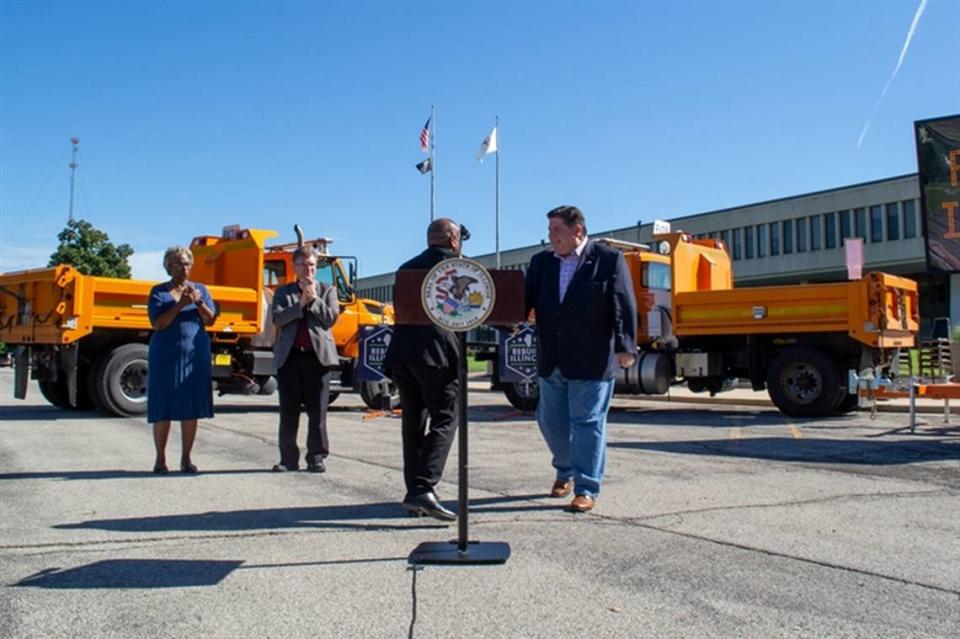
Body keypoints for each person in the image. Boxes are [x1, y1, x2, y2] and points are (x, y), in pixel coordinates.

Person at [524, 205, 637, 512]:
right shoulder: (541, 263)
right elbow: (524, 299)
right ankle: (565, 469)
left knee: (587, 422)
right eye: (549, 231)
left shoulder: (608, 259)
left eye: (556, 231)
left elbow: (622, 303)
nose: (551, 237)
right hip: (552, 356)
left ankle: (586, 486)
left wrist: (625, 346)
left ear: (578, 231)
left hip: (592, 357)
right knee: (550, 421)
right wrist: (502, 315)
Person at [383, 218, 464, 521]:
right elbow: (470, 306)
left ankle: (414, 494)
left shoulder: (406, 267)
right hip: (437, 355)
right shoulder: (457, 266)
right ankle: (423, 487)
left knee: (413, 422)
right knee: (446, 416)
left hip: (404, 352)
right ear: (453, 240)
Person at [147, 246, 217, 475]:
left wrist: (198, 302)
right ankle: (160, 459)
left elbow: (211, 321)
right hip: (166, 357)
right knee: (163, 408)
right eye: (179, 263)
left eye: (187, 263)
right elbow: (159, 324)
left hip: (194, 358)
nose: (184, 267)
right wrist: (179, 305)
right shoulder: (159, 292)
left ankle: (186, 459)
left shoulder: (201, 290)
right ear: (169, 266)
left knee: (190, 409)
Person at [271, 244, 340, 473]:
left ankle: (317, 457)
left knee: (317, 411)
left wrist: (313, 300)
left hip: (317, 358)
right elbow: (278, 319)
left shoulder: (328, 290)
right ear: (295, 267)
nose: (308, 270)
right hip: (290, 358)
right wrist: (300, 304)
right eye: (304, 265)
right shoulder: (284, 292)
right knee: (289, 411)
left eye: (312, 265)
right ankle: (288, 459)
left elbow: (330, 318)